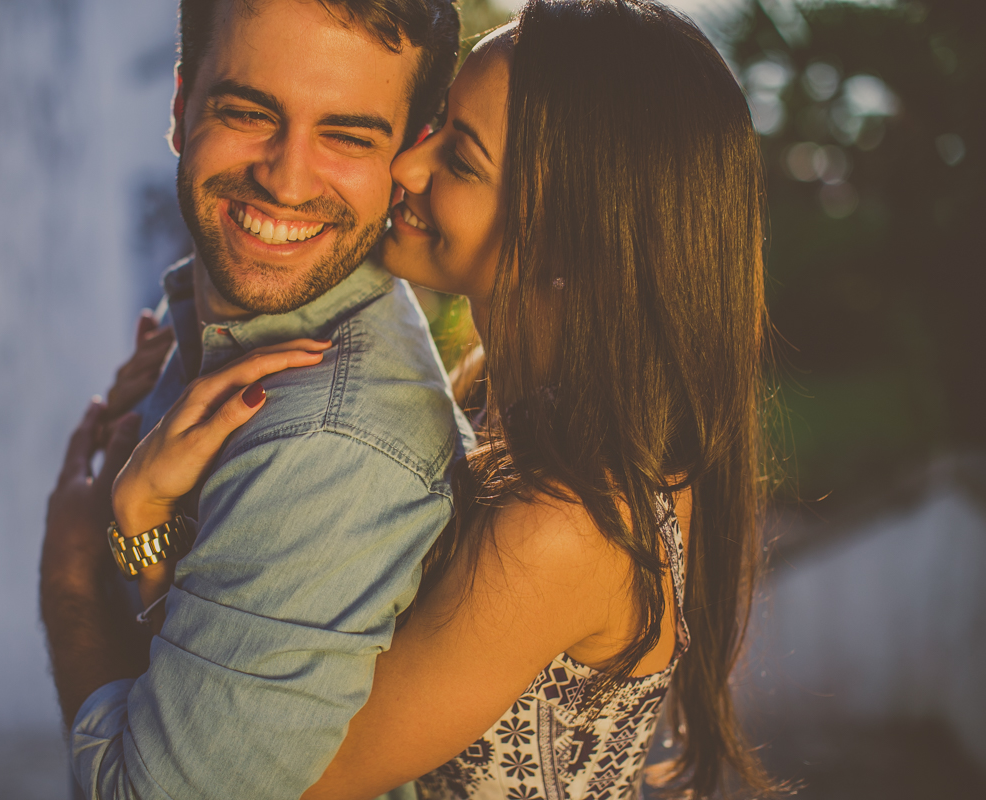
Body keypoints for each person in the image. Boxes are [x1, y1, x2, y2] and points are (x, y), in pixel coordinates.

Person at [109, 0, 782, 798]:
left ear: (570, 232)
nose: (406, 167)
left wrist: (135, 525)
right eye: (430, 131)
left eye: (458, 159)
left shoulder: (561, 527)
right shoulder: (532, 410)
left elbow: (264, 780)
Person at [38, 0, 469, 797]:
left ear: (407, 157)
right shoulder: (209, 328)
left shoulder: (332, 448)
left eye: (346, 135)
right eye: (248, 112)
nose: (286, 178)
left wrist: (67, 570)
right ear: (179, 110)